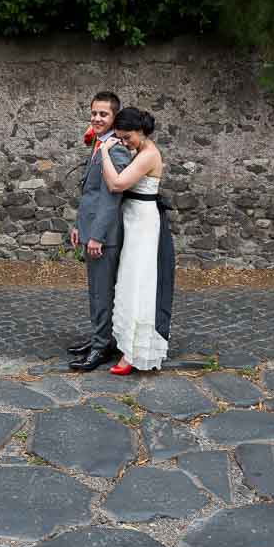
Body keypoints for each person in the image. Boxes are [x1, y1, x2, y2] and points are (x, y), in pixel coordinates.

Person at [99, 107, 175, 374]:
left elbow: (117, 185)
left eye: (127, 137)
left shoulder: (149, 155)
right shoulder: (140, 151)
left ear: (141, 132)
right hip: (133, 220)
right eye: (119, 138)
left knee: (139, 283)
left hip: (143, 223)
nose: (124, 142)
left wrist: (104, 152)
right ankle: (126, 344)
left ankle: (134, 353)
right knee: (129, 280)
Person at [67, 91, 132, 372]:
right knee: (95, 290)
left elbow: (111, 197)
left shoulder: (115, 149)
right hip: (91, 229)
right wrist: (79, 227)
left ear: (114, 117)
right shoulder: (99, 143)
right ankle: (98, 337)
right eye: (94, 113)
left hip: (104, 237)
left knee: (102, 292)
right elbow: (90, 193)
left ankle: (101, 346)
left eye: (103, 114)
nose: (96, 118)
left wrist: (97, 235)